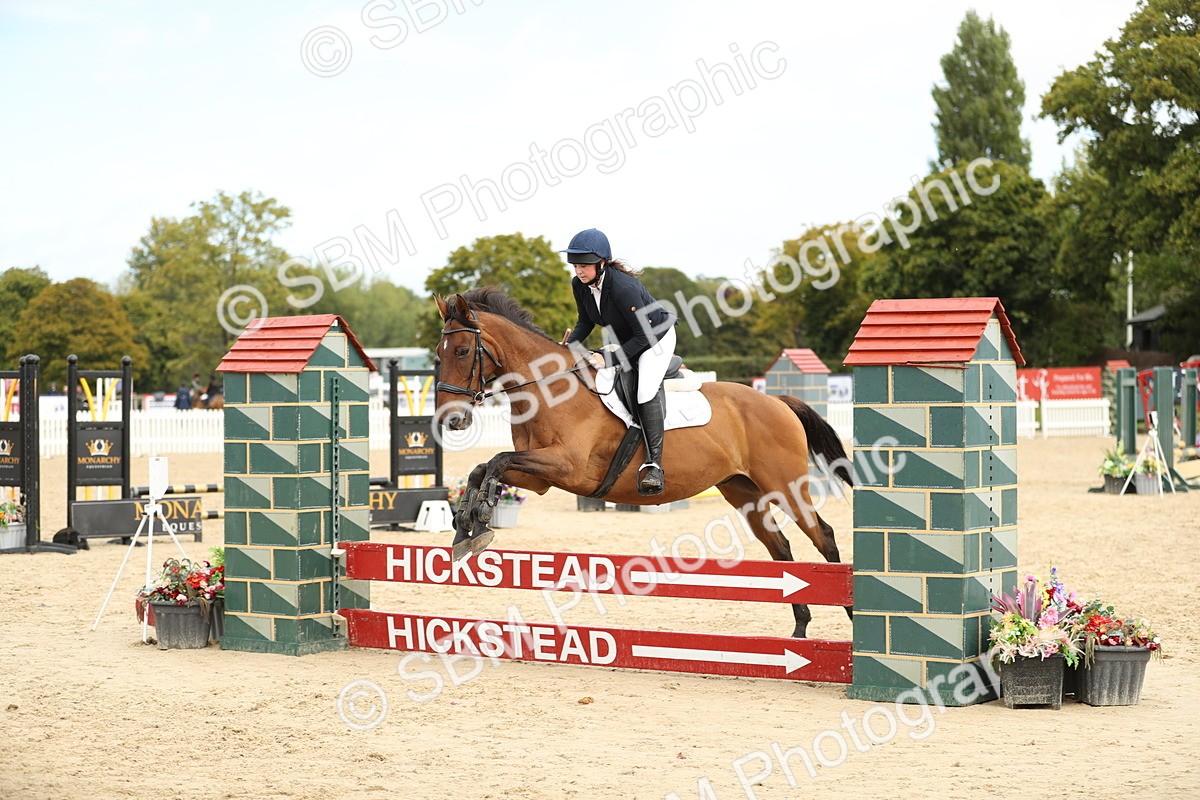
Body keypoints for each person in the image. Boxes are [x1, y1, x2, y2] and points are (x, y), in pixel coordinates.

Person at [561, 228, 678, 495]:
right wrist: (570, 346)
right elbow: (585, 321)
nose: (580, 271)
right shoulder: (579, 285)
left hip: (655, 338)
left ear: (602, 264)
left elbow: (643, 337)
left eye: (585, 266)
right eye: (576, 266)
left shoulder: (624, 287)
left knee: (645, 390)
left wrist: (609, 357)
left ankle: (654, 465)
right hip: (631, 337)